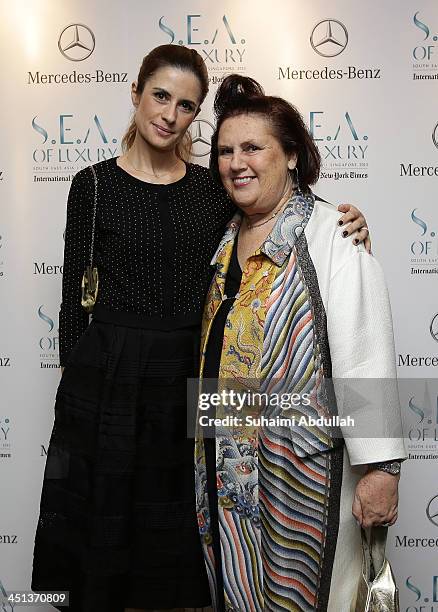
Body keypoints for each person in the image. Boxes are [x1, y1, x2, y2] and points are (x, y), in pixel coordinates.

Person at [31, 44, 370, 612]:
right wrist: (81, 402)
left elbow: (281, 217)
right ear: (135, 94)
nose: (169, 114)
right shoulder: (90, 187)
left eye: (187, 105)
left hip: (188, 381)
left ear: (196, 117)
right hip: (108, 382)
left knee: (190, 544)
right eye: (160, 96)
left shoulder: (213, 188)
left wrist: (350, 224)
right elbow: (74, 306)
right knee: (101, 547)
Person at [194, 75, 407, 612]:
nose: (235, 162)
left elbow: (366, 352)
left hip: (305, 473)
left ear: (291, 155)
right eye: (224, 150)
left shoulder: (333, 234)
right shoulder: (224, 239)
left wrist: (380, 468)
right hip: (229, 475)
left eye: (252, 147)